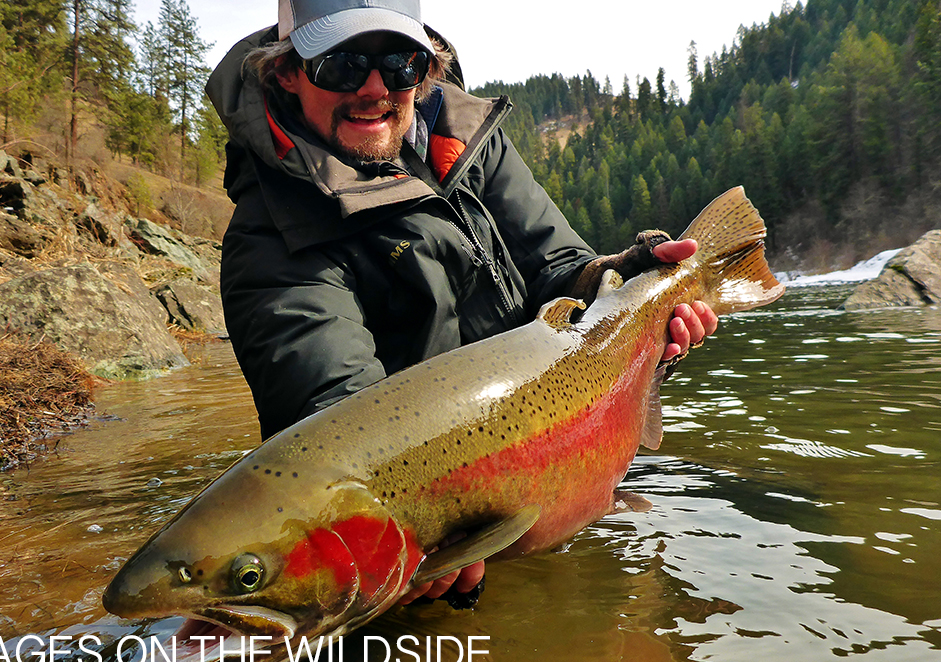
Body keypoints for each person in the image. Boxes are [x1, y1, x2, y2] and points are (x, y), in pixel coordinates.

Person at [205, 0, 718, 607]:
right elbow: (344, 431)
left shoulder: (468, 142)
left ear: (424, 69)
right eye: (341, 66)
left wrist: (628, 284)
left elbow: (557, 269)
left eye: (399, 62)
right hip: (447, 511)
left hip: (549, 443)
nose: (374, 88)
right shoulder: (270, 245)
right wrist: (413, 533)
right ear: (286, 73)